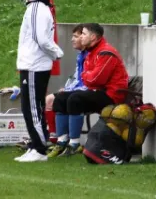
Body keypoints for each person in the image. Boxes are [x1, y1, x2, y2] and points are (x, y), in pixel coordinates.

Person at [49, 23, 129, 157]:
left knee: (75, 99)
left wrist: (85, 75)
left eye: (84, 34)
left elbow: (95, 80)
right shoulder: (91, 52)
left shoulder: (105, 52)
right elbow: (89, 77)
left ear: (93, 37)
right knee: (61, 98)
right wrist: (87, 76)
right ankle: (61, 141)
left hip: (111, 95)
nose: (81, 37)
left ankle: (74, 144)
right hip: (97, 91)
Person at [14, 0, 64, 163]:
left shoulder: (37, 8)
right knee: (33, 106)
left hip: (34, 65)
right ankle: (36, 145)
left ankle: (40, 148)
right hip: (32, 64)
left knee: (32, 107)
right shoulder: (35, 8)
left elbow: (40, 38)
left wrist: (56, 53)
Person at [44, 24, 88, 152]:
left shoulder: (91, 55)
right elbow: (77, 76)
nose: (72, 39)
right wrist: (68, 87)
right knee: (50, 99)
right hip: (79, 89)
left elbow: (85, 80)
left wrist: (69, 90)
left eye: (76, 36)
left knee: (64, 99)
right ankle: (56, 137)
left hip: (89, 92)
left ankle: (73, 142)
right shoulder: (81, 54)